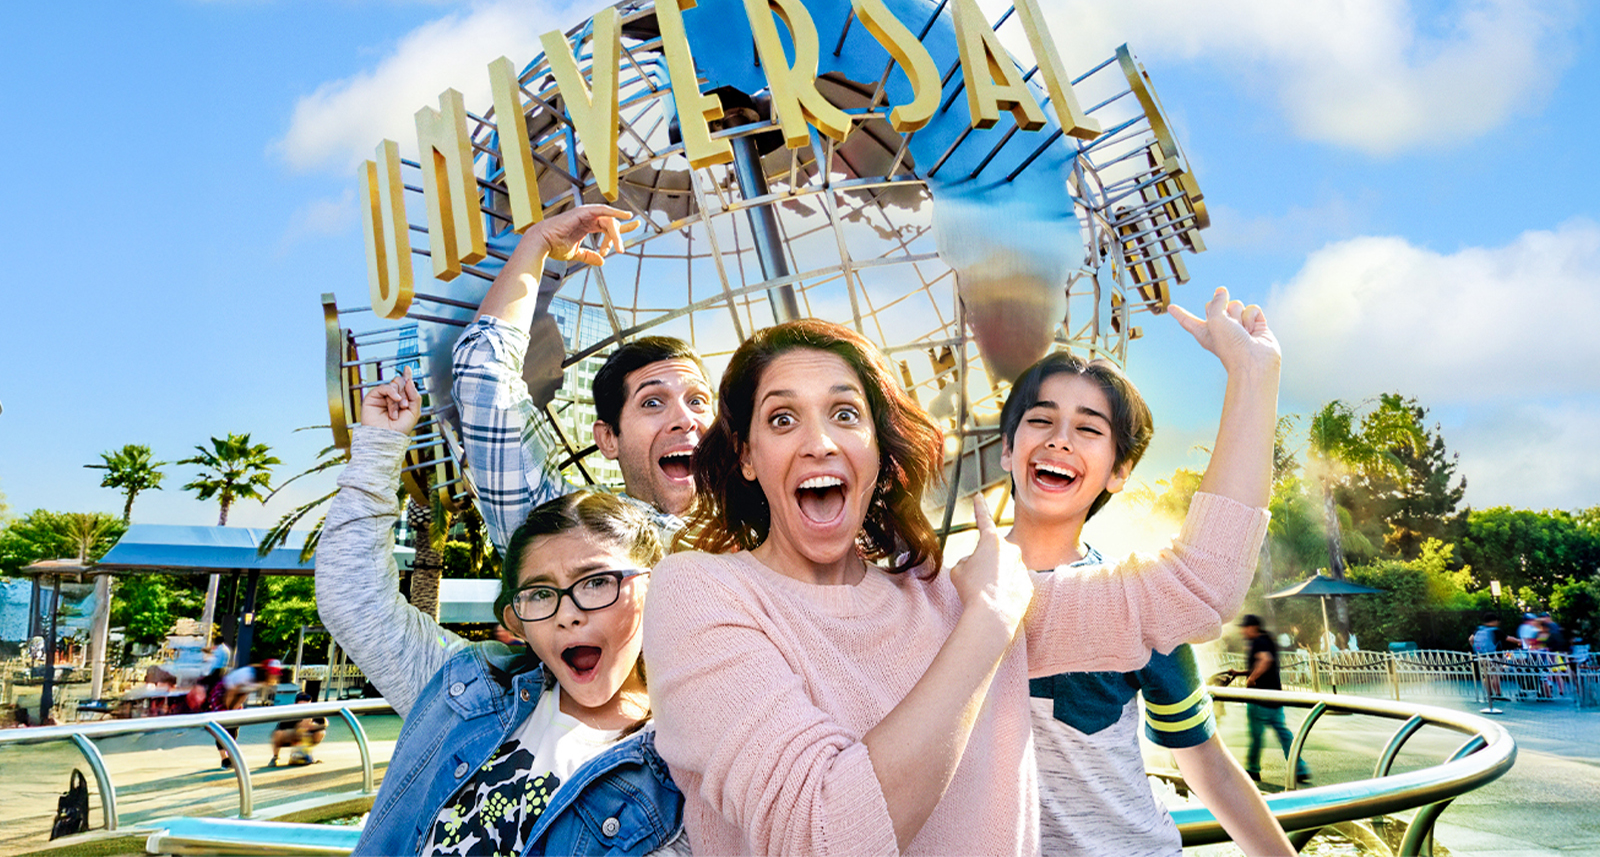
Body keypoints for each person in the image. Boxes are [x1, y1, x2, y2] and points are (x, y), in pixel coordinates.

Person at [643, 286, 1280, 856]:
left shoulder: (945, 591)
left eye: (845, 415)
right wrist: (990, 623)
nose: (821, 442)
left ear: (878, 453)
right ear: (749, 456)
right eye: (783, 419)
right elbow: (826, 836)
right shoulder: (700, 592)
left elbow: (1199, 589)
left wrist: (1253, 379)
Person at [317, 367, 682, 856]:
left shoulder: (685, 758)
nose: (567, 615)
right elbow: (353, 599)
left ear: (657, 590)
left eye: (596, 582)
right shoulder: (467, 691)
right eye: (539, 593)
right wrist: (379, 447)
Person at [1000, 351, 1291, 856]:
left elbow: (1206, 764)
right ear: (1006, 449)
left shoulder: (1138, 602)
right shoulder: (942, 596)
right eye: (1041, 420)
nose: (1059, 438)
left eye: (1089, 430)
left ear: (1120, 470)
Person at [452, 204, 715, 553]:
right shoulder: (577, 537)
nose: (685, 420)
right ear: (608, 438)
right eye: (652, 402)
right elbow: (482, 372)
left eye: (697, 401)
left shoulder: (777, 523)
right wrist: (537, 243)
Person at [1239, 615, 1311, 784]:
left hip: (1260, 699)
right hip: (1275, 698)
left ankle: (1252, 769)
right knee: (1284, 734)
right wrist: (1240, 673)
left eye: (1245, 627)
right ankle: (1299, 768)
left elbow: (1265, 660)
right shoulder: (1268, 640)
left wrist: (1251, 679)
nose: (1243, 631)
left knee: (1256, 736)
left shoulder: (1258, 642)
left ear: (1253, 627)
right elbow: (1263, 663)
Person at [269, 692, 328, 767]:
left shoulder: (313, 710)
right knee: (278, 734)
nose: (304, 709)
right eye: (301, 706)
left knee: (320, 732)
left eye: (306, 706)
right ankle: (275, 757)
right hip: (290, 735)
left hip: (307, 736)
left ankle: (306, 754)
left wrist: (313, 726)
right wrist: (300, 726)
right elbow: (279, 730)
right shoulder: (289, 712)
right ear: (295, 704)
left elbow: (325, 723)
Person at [1471, 615, 1506, 700]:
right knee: (1495, 675)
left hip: (1482, 655)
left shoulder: (1479, 629)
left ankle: (1489, 693)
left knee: (1486, 675)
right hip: (1494, 655)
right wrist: (1519, 642)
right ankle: (1498, 694)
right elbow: (1508, 638)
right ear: (1494, 621)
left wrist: (1475, 648)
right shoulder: (1495, 630)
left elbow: (1471, 639)